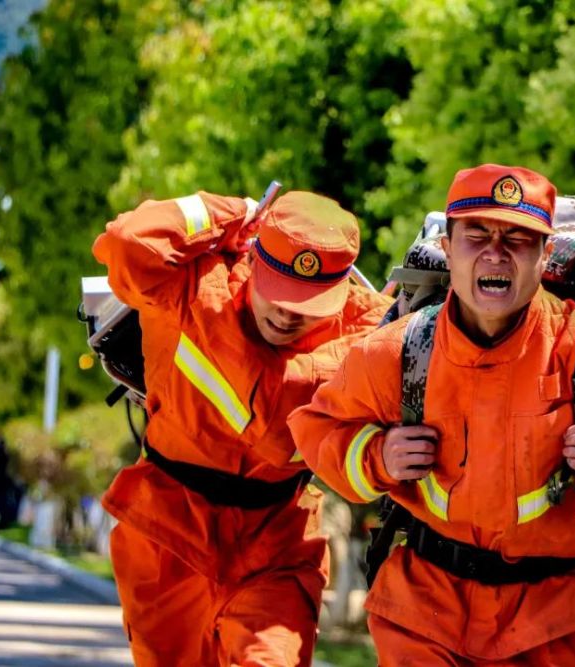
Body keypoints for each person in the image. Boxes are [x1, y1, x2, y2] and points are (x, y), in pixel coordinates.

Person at [288, 164, 575, 665]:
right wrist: (378, 457)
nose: (495, 253)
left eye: (517, 239)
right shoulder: (400, 351)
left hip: (553, 623)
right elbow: (319, 428)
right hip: (425, 611)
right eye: (476, 235)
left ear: (545, 254)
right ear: (448, 248)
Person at [93, 189, 391, 667]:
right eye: (278, 290)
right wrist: (235, 211)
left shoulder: (368, 331)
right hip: (168, 536)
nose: (288, 312)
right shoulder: (194, 283)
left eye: (309, 302)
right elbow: (128, 240)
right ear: (253, 261)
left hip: (276, 546)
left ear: (339, 293)